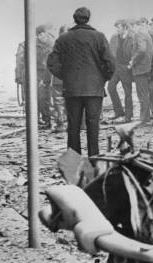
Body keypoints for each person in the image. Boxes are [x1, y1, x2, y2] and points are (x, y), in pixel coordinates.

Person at [47, 7, 115, 156]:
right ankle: (94, 160)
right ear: (88, 18)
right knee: (93, 127)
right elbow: (110, 63)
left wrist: (66, 76)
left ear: (74, 19)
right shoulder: (99, 37)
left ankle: (74, 163)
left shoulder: (63, 38)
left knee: (73, 127)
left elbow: (51, 63)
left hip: (72, 89)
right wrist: (102, 78)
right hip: (94, 89)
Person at [107, 19, 134, 122]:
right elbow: (110, 51)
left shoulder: (131, 37)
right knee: (111, 87)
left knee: (128, 92)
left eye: (119, 27)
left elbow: (134, 52)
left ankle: (128, 115)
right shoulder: (114, 37)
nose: (117, 30)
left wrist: (131, 64)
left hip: (126, 68)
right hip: (116, 67)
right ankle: (118, 112)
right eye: (116, 28)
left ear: (125, 28)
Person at [129, 18, 153, 125]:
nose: (130, 30)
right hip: (146, 68)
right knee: (145, 94)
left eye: (131, 27)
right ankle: (145, 117)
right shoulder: (144, 33)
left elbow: (142, 50)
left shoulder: (139, 34)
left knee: (142, 94)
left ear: (135, 25)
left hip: (141, 69)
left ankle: (144, 118)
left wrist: (133, 61)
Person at [51, 25, 69, 133]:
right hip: (71, 79)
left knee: (59, 102)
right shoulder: (76, 45)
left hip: (58, 78)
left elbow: (51, 63)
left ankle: (61, 124)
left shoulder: (56, 46)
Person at [36, 25, 54, 128]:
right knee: (42, 97)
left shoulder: (52, 44)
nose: (42, 37)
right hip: (39, 74)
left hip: (51, 73)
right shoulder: (34, 46)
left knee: (51, 97)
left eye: (44, 34)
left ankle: (53, 119)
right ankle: (46, 119)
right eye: (40, 35)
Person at [14, 41, 25, 107]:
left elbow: (19, 61)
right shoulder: (23, 45)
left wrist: (18, 76)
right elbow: (19, 61)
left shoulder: (23, 45)